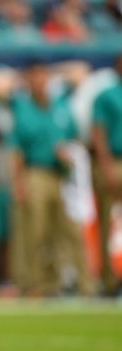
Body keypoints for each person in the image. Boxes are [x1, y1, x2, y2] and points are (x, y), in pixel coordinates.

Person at [8, 61, 92, 296]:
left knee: (69, 231)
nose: (39, 82)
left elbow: (76, 139)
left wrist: (70, 153)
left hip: (62, 176)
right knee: (36, 232)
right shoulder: (22, 109)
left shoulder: (61, 105)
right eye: (34, 78)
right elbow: (16, 152)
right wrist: (19, 183)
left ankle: (84, 284)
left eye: (43, 77)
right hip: (36, 174)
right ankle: (37, 283)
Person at [91, 54, 122, 295]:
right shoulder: (106, 95)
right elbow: (99, 134)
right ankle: (109, 280)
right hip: (114, 161)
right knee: (107, 222)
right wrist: (107, 168)